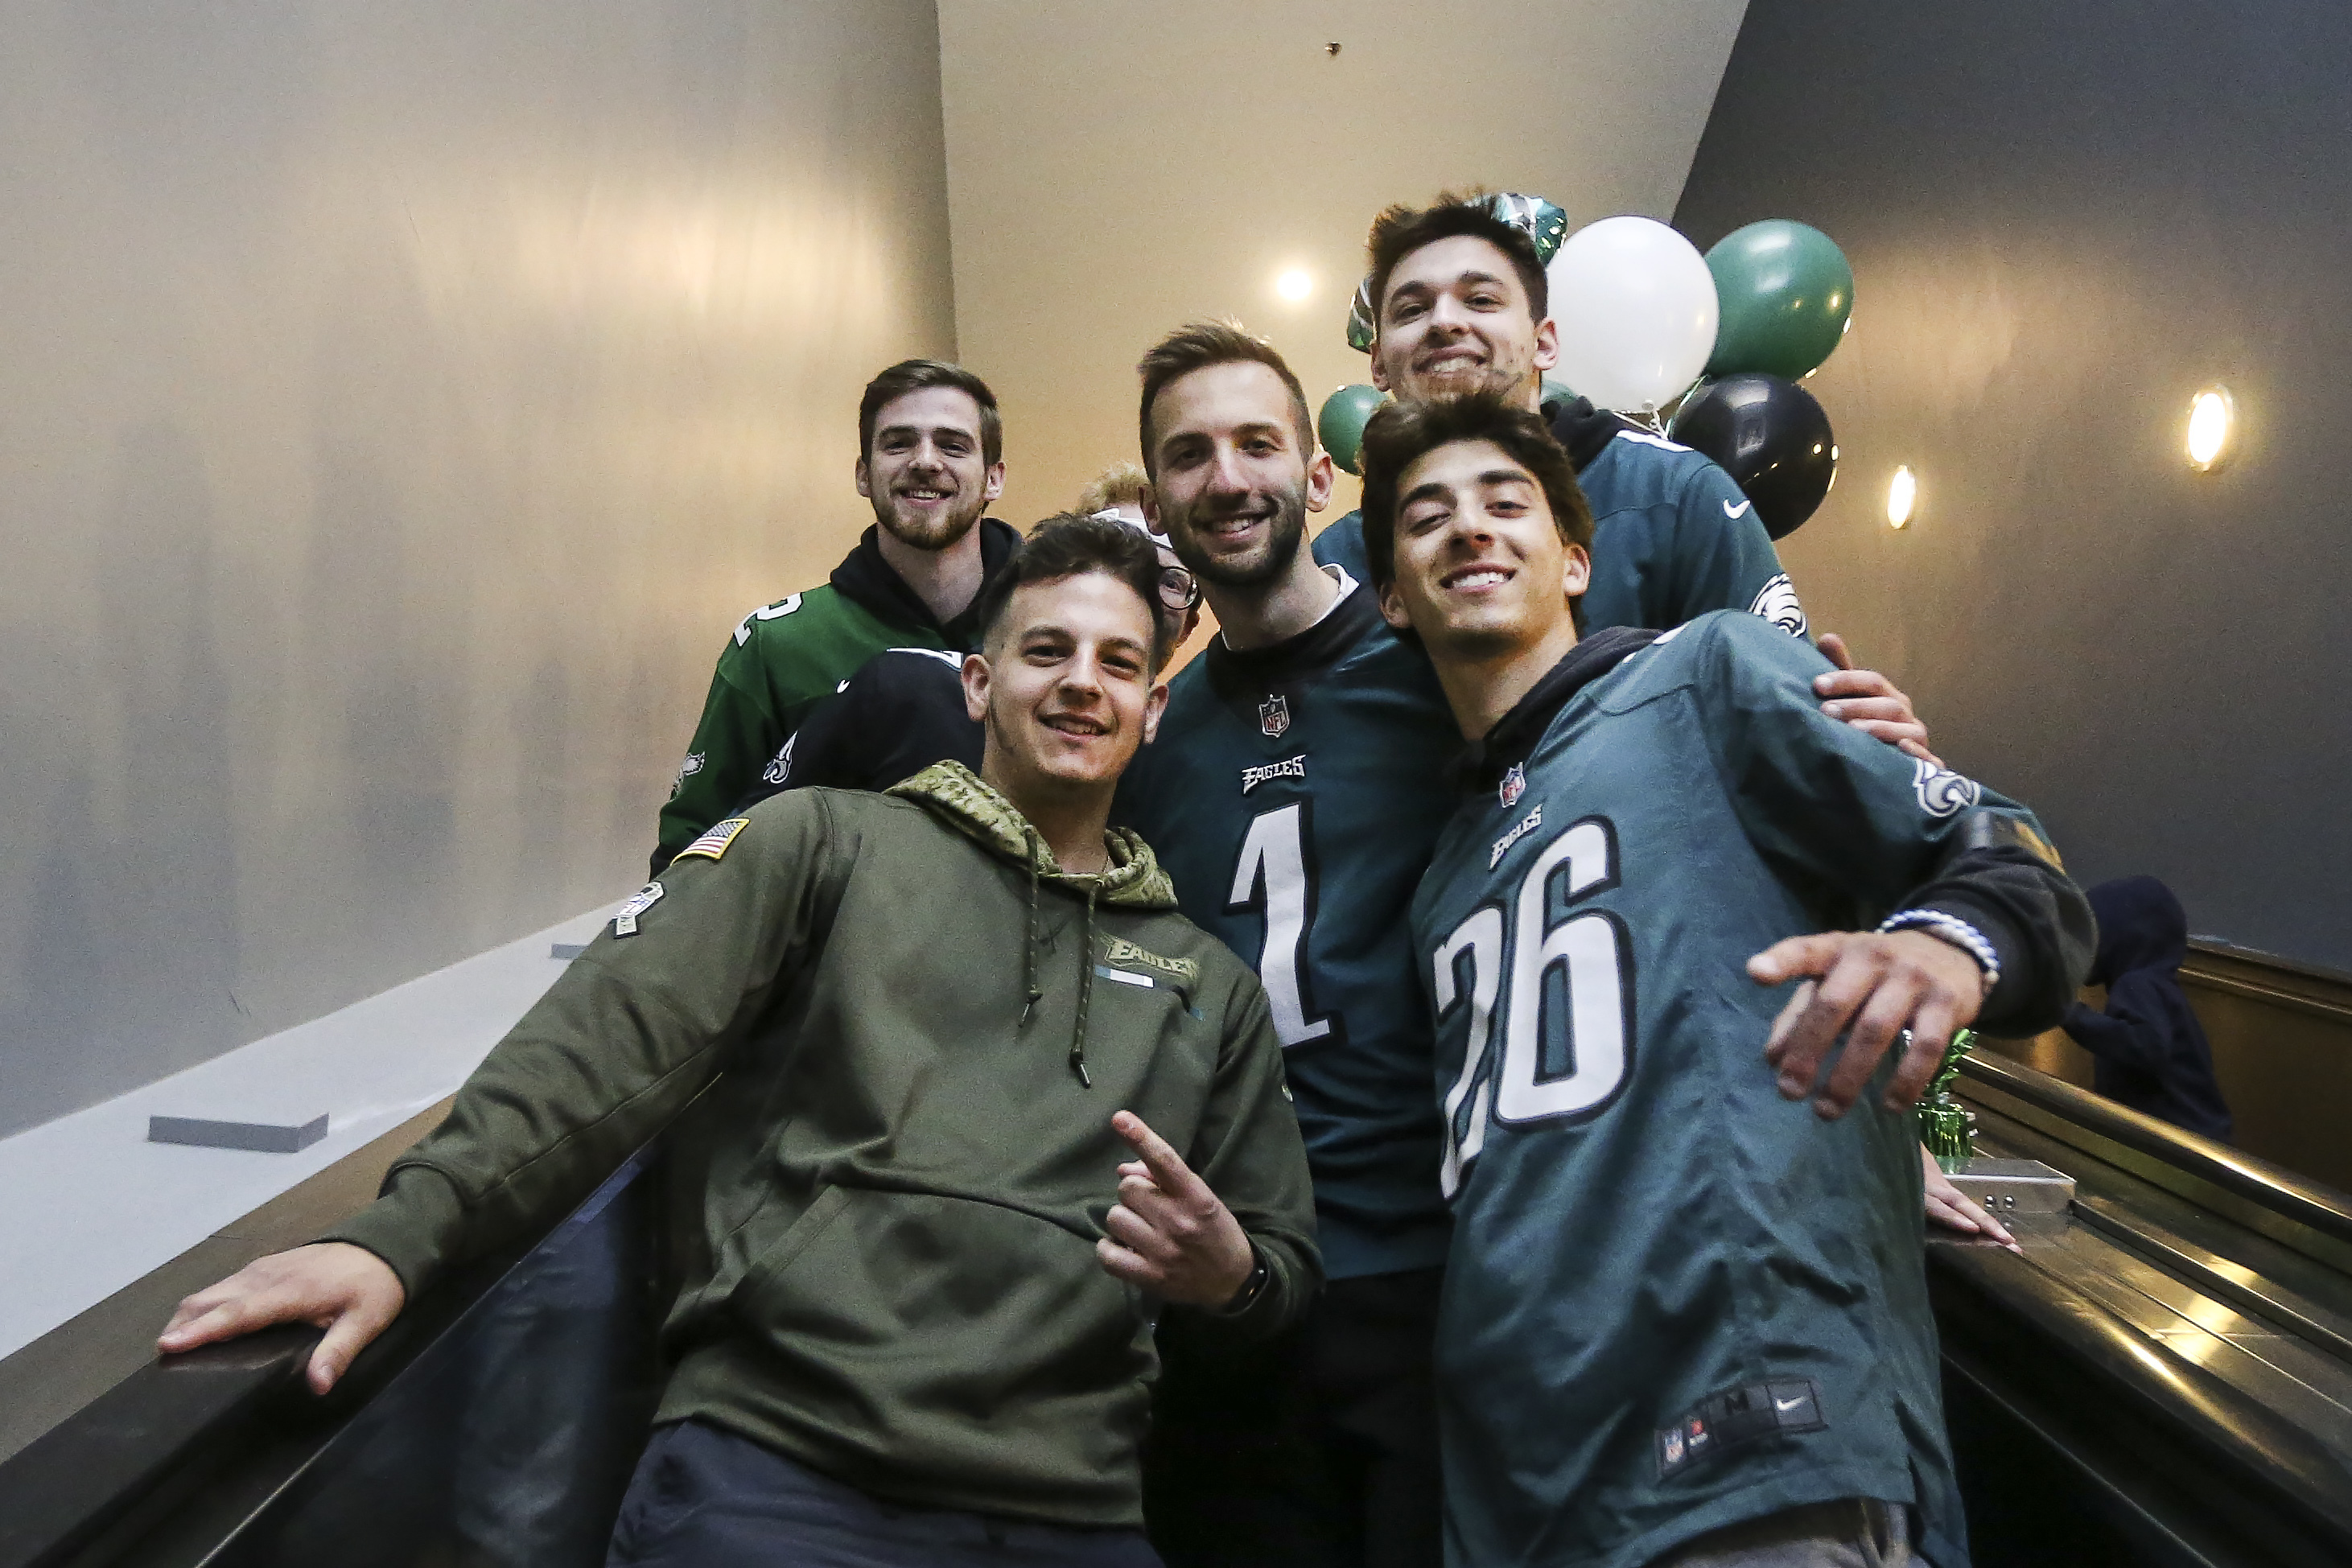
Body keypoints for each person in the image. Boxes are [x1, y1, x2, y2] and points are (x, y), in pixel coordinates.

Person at [160, 516, 1320, 1568]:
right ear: (977, 682)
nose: (1082, 684)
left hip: (1073, 1514)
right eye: (1045, 650)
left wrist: (1231, 1280)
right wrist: (397, 1237)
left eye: (1118, 663)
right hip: (779, 1475)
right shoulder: (824, 844)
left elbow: (1276, 1267)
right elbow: (606, 1042)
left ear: (1153, 710)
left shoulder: (1202, 983)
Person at [1114, 319, 2005, 1568]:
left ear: (1315, 477)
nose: (1225, 475)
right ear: (1156, 494)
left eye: (1257, 440)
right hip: (1307, 1302)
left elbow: (1920, 851)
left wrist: (1913, 1014)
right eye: (1188, 454)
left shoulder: (1646, 681)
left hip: (1538, 1315)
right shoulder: (1192, 766)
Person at [1358, 392, 2092, 1568]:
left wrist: (1944, 946)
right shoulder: (1438, 875)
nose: (1468, 530)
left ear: (1575, 558)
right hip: (1516, 1483)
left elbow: (2002, 854)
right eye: (1425, 516)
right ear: (1392, 591)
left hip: (1748, 1446)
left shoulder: (1703, 675)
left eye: (1507, 504)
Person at [1315, 192, 1899, 723]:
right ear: (1378, 364)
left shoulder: (1672, 490)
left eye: (1480, 299)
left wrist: (1872, 750)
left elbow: (1796, 722)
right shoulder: (1338, 563)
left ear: (1545, 341)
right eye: (1411, 310)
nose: (1444, 321)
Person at [652, 358, 1021, 873]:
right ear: (863, 475)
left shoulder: (1058, 636)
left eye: (952, 445)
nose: (925, 461)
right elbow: (689, 855)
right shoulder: (777, 643)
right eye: (898, 443)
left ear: (993, 479)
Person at [733, 468, 1201, 801]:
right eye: (1048, 650)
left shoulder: (1189, 760)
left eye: (1170, 578)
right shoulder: (913, 692)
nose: (1135, 593)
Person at [2062, 876, 2234, 1141]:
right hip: (2191, 1142)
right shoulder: (2154, 984)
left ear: (2121, 938)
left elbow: (2145, 1046)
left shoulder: (2139, 984)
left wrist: (2069, 1013)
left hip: (2180, 1147)